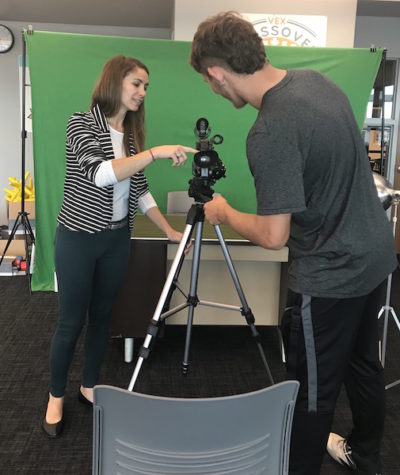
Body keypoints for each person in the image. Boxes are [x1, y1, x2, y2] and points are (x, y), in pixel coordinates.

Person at [189, 11, 396, 475]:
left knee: (311, 393)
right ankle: (365, 454)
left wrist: (222, 212)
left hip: (329, 278)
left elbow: (273, 234)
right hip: (376, 257)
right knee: (364, 366)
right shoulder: (315, 82)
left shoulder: (269, 130)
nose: (213, 89)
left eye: (209, 81)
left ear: (216, 73)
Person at [42, 55, 197, 438]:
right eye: (136, 84)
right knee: (70, 322)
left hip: (116, 240)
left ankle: (88, 385)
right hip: (78, 239)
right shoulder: (80, 123)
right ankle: (55, 395)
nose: (143, 92)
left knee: (102, 316)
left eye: (146, 86)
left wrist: (168, 231)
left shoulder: (130, 137)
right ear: (115, 82)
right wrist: (156, 152)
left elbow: (138, 189)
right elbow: (99, 173)